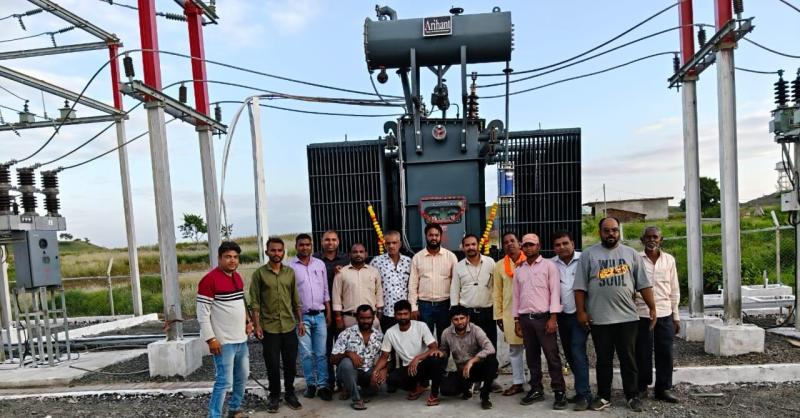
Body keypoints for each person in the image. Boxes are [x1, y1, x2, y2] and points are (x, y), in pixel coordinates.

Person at [574, 217, 657, 413]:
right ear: (600, 232)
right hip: (600, 318)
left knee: (629, 359)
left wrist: (652, 308)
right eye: (607, 230)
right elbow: (579, 287)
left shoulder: (631, 254)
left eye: (614, 230)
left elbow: (643, 284)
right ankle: (604, 396)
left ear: (618, 232)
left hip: (627, 317)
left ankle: (632, 396)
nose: (611, 234)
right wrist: (581, 312)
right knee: (603, 360)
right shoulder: (588, 255)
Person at [249, 237, 305, 413]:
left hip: (289, 326)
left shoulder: (290, 273)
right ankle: (274, 396)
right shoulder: (259, 274)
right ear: (267, 252)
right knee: (272, 365)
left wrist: (300, 322)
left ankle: (290, 393)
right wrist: (257, 325)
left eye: (279, 250)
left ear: (283, 252)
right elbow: (255, 302)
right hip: (269, 328)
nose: (276, 253)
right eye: (273, 250)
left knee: (290, 364)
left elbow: (295, 300)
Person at [197, 241, 252, 418]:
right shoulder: (209, 280)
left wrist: (248, 321)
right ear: (219, 258)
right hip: (223, 342)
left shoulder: (237, 277)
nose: (232, 260)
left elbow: (241, 303)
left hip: (241, 340)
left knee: (242, 377)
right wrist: (211, 339)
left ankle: (234, 409)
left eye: (235, 257)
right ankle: (214, 415)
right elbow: (202, 314)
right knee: (224, 381)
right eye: (228, 257)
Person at [512, 233, 567, 410]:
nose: (528, 248)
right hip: (525, 319)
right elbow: (516, 297)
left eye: (532, 245)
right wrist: (516, 320)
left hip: (544, 318)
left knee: (552, 356)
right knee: (532, 357)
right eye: (525, 245)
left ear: (538, 246)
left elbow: (555, 292)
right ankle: (536, 389)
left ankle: (559, 391)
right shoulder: (519, 270)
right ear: (522, 247)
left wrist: (553, 317)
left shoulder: (549, 266)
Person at [635, 226, 680, 403]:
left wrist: (676, 316)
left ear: (661, 240)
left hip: (664, 312)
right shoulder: (636, 259)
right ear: (642, 239)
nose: (652, 240)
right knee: (642, 352)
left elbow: (674, 289)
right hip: (641, 313)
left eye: (655, 237)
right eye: (648, 237)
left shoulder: (669, 260)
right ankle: (641, 387)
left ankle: (663, 389)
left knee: (665, 352)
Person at [372, 300, 445, 407]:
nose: (403, 317)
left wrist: (417, 358)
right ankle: (419, 387)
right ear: (395, 315)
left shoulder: (421, 326)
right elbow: (384, 357)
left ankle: (434, 395)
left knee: (436, 358)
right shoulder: (390, 332)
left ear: (410, 314)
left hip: (424, 364)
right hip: (409, 368)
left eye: (405, 314)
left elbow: (434, 348)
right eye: (399, 314)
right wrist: (375, 371)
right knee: (391, 379)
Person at [551, 230, 592, 411]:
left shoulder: (585, 259)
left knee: (577, 350)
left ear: (573, 244)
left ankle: (584, 395)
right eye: (558, 245)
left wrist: (587, 312)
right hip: (562, 315)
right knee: (569, 353)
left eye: (565, 243)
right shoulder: (551, 264)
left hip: (580, 315)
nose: (562, 247)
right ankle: (581, 389)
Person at [289, 233, 332, 401]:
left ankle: (323, 385)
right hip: (302, 318)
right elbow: (291, 296)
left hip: (320, 315)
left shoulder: (319, 264)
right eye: (301, 245)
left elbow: (325, 290)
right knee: (306, 354)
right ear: (296, 246)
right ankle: (311, 384)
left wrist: (328, 312)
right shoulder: (290, 267)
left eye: (307, 244)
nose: (305, 247)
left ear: (311, 246)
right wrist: (298, 320)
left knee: (321, 353)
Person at [435, 305, 498, 410]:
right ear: (451, 320)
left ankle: (485, 396)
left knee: (492, 361)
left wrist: (472, 361)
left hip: (477, 368)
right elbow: (444, 351)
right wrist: (441, 353)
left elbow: (490, 349)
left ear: (468, 318)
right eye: (456, 319)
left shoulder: (476, 330)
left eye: (462, 318)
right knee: (446, 390)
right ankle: (467, 388)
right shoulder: (446, 333)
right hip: (462, 371)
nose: (459, 322)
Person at [330, 304, 387, 410]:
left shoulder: (379, 336)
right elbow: (332, 359)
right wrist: (348, 353)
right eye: (362, 318)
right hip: (349, 372)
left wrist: (381, 371)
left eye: (368, 318)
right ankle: (357, 399)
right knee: (346, 363)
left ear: (373, 318)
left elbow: (386, 359)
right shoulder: (346, 333)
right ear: (356, 318)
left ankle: (352, 390)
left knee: (383, 387)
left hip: (367, 372)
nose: (366, 321)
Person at [313, 230, 350, 391]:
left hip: (342, 310)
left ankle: (343, 382)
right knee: (325, 349)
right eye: (327, 240)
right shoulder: (315, 259)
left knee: (343, 348)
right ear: (322, 242)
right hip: (323, 311)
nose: (330, 243)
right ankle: (328, 382)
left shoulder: (345, 259)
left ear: (338, 242)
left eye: (333, 240)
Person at [409, 223, 458, 342]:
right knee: (424, 341)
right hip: (424, 306)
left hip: (445, 306)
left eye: (436, 235)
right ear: (426, 236)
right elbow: (413, 284)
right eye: (431, 235)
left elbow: (456, 283)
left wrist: (455, 306)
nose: (434, 238)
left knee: (445, 340)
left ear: (441, 236)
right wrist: (413, 307)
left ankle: (443, 355)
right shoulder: (417, 258)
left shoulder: (451, 257)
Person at [492, 231, 527, 397]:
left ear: (520, 243)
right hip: (509, 314)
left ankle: (536, 383)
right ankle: (518, 382)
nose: (509, 244)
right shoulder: (499, 266)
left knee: (534, 350)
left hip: (531, 311)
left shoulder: (529, 261)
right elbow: (497, 292)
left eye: (512, 240)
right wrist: (498, 315)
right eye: (505, 242)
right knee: (514, 350)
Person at [451, 234, 497, 349]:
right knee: (470, 348)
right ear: (463, 247)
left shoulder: (490, 262)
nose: (470, 247)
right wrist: (456, 313)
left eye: (473, 244)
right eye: (467, 245)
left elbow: (497, 286)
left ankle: (491, 362)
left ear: (478, 245)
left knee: (490, 347)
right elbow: (454, 290)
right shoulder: (458, 266)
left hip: (488, 313)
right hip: (468, 314)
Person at [332, 243, 384, 330]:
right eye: (355, 252)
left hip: (371, 318)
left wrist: (379, 316)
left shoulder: (374, 272)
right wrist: (338, 318)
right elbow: (336, 298)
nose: (358, 254)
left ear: (366, 254)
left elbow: (379, 295)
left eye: (361, 252)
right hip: (350, 318)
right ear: (349, 254)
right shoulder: (341, 273)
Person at [369, 230, 412, 332]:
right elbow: (370, 284)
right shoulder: (377, 262)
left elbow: (413, 285)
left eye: (394, 243)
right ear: (384, 245)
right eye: (388, 243)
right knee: (388, 338)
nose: (391, 246)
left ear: (400, 244)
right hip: (386, 311)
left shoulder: (408, 261)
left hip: (404, 311)